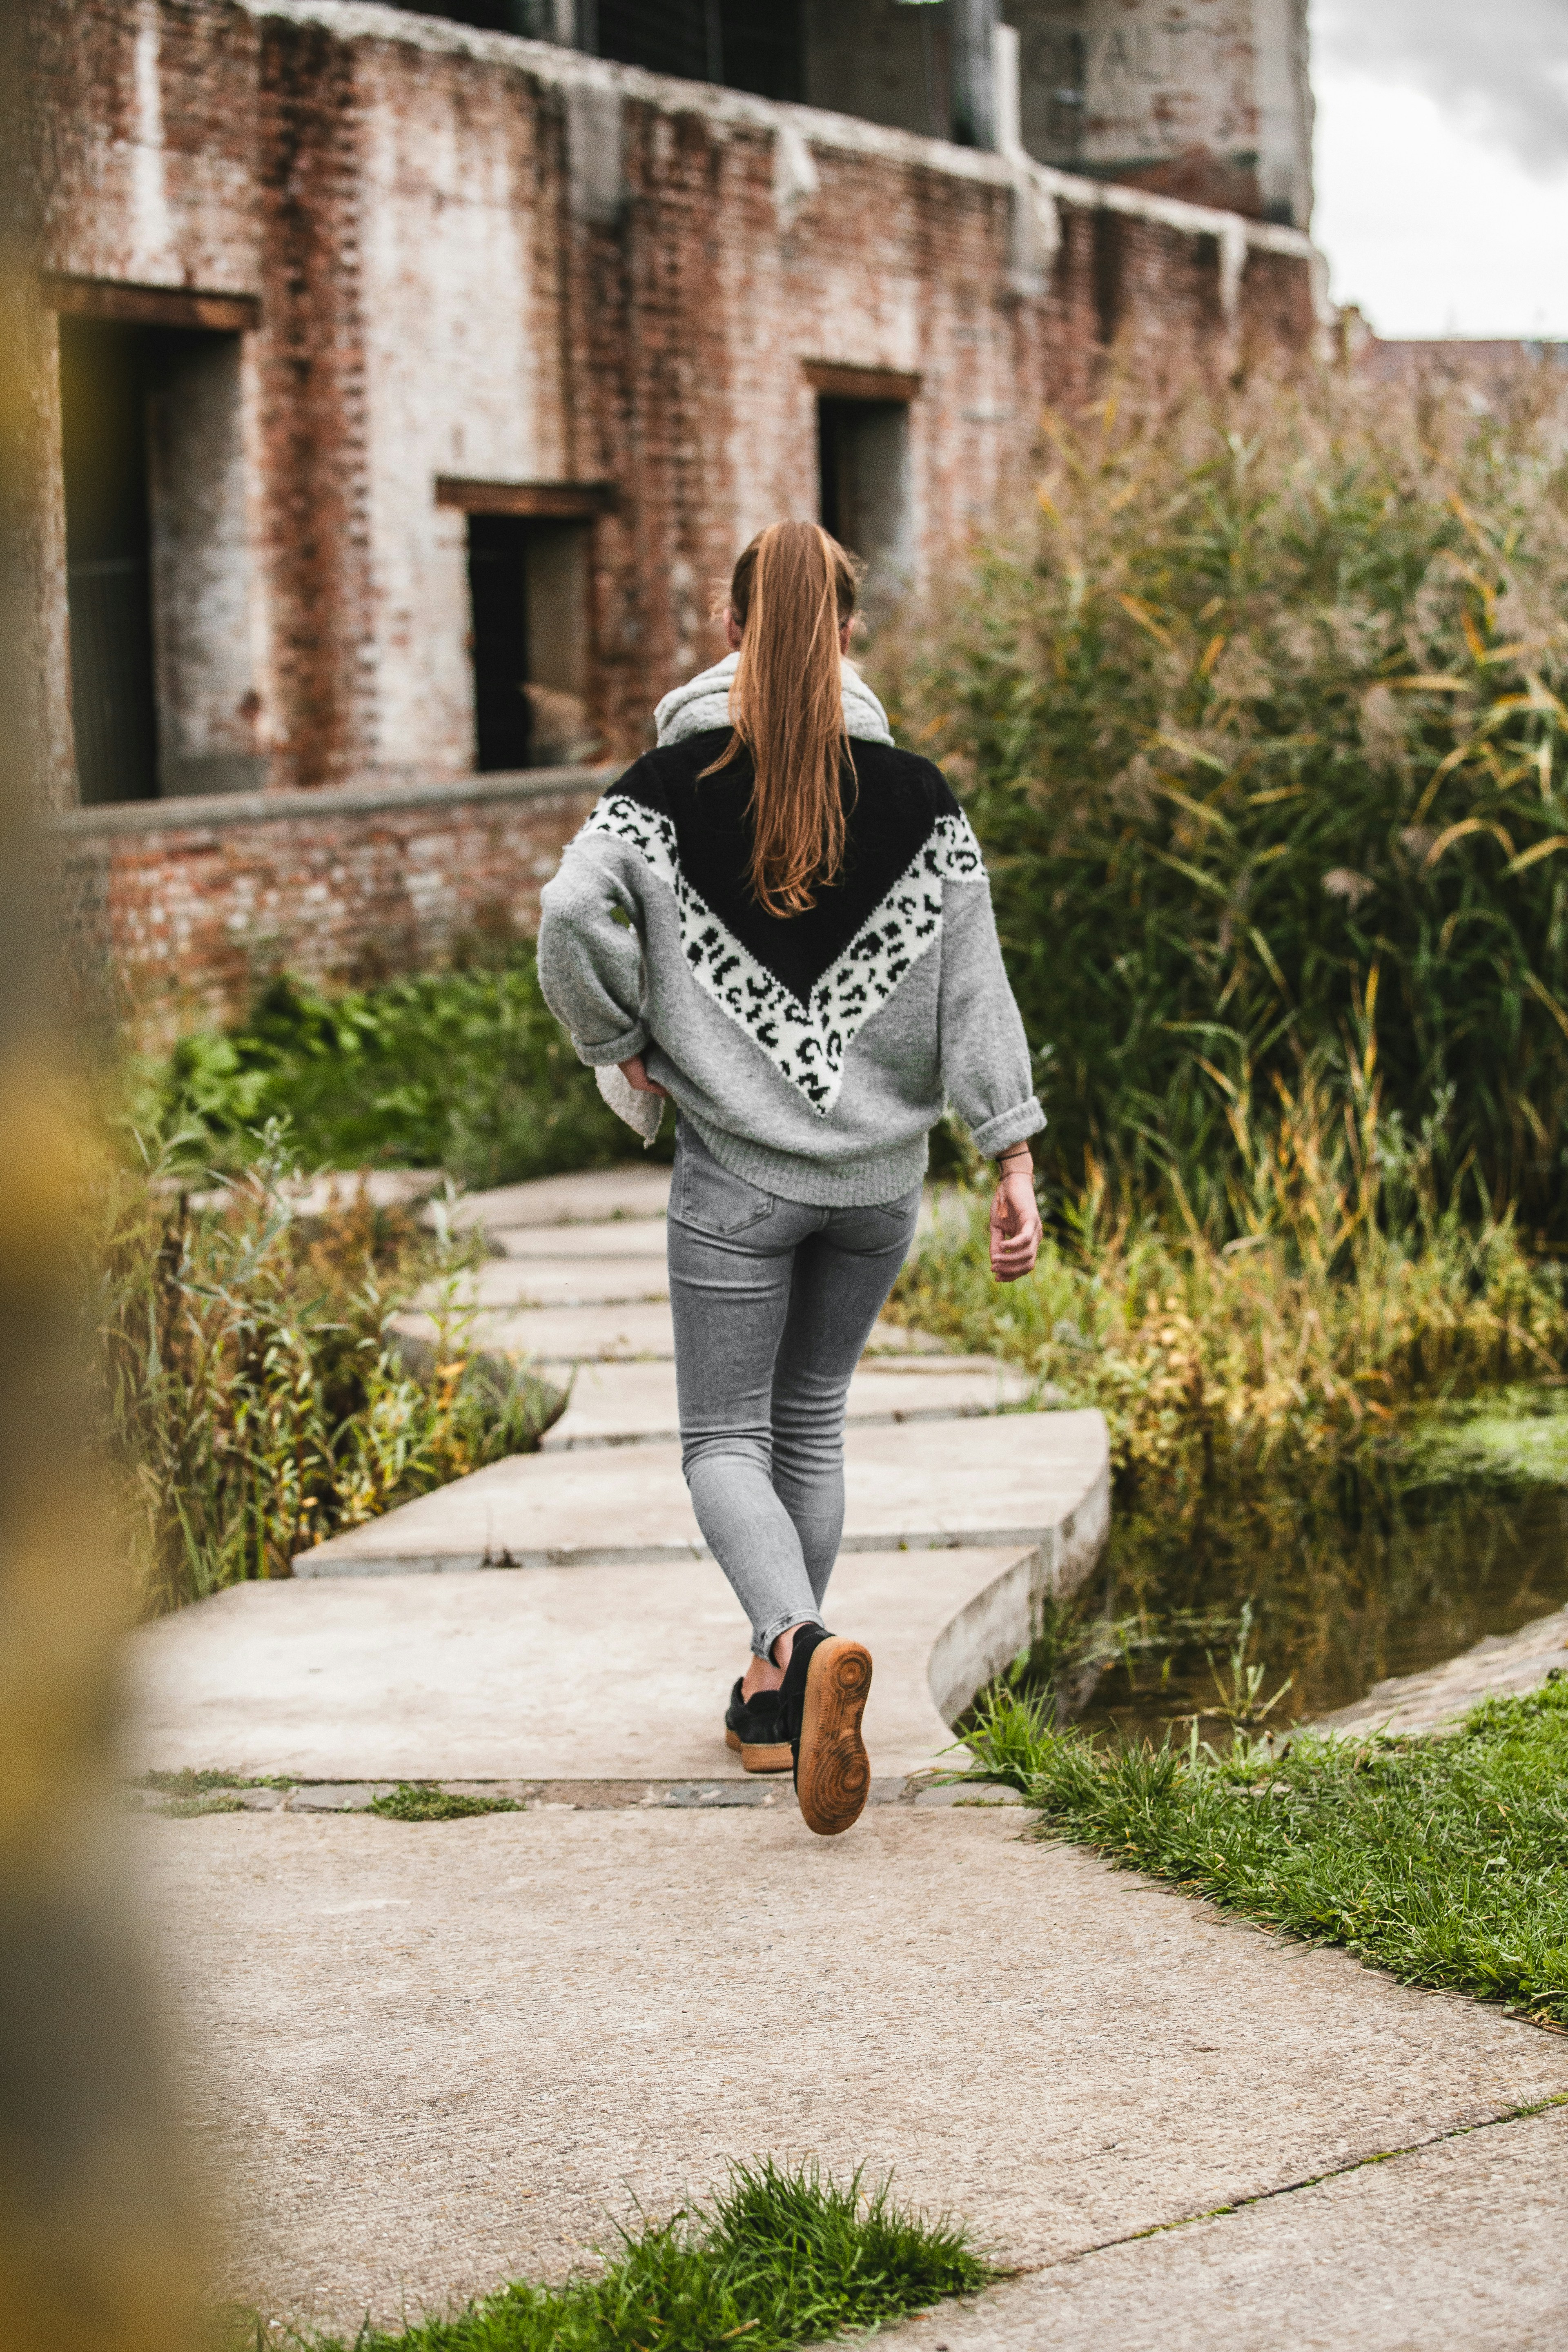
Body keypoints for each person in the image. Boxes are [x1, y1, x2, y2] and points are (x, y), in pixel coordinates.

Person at [537, 521, 1043, 1837]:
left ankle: (798, 1644)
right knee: (809, 1421)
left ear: (732, 625)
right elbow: (977, 986)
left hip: (737, 1185)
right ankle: (777, 1700)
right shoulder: (925, 800)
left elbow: (563, 916)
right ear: (852, 633)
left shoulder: (661, 788)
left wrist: (622, 1041)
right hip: (878, 1187)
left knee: (721, 1441)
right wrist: (1012, 1152)